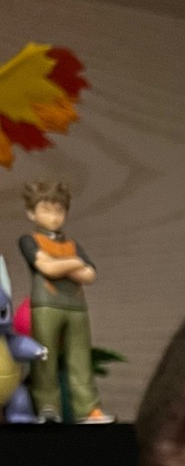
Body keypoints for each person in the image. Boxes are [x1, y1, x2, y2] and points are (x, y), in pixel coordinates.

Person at [18, 180, 111, 422]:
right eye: (46, 210)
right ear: (32, 213)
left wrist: (63, 265)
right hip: (46, 306)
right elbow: (46, 267)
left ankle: (88, 409)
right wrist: (75, 263)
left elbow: (90, 275)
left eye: (59, 211)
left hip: (76, 307)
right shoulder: (29, 240)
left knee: (80, 360)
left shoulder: (72, 245)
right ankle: (48, 408)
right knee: (44, 358)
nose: (54, 217)